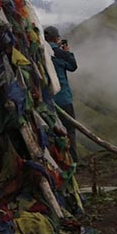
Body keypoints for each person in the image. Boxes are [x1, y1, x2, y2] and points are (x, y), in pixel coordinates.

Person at [45, 26, 79, 161]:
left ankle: (57, 161)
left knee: (53, 132)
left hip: (47, 101)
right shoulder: (59, 53)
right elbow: (73, 66)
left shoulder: (40, 52)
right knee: (69, 131)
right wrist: (67, 52)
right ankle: (72, 161)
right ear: (56, 38)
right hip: (63, 99)